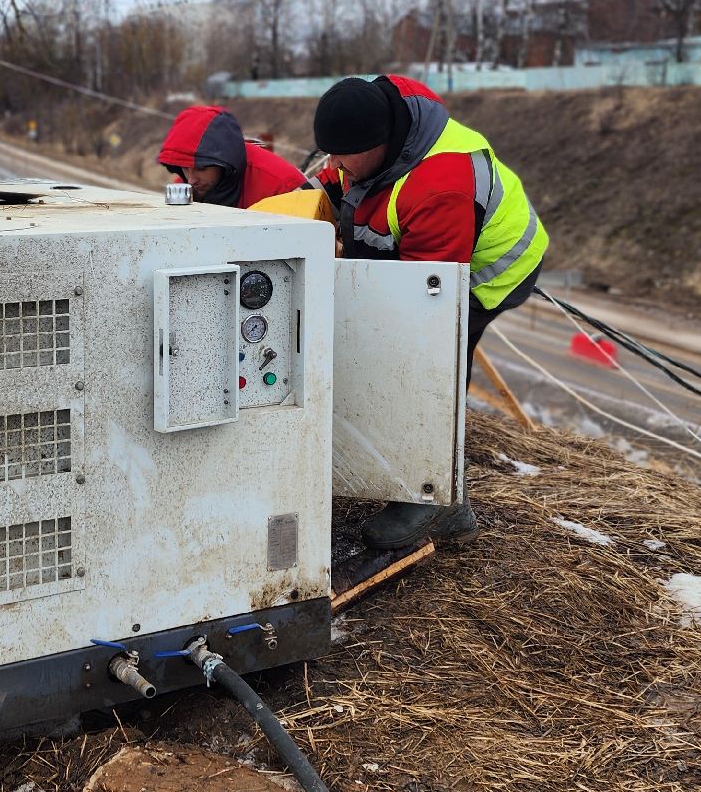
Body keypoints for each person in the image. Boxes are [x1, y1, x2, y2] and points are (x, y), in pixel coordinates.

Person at [314, 74, 548, 549]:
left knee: (427, 368)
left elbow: (422, 304)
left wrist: (344, 267)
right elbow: (332, 181)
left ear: (381, 145)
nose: (335, 165)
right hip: (434, 255)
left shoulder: (440, 185)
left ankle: (437, 503)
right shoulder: (373, 125)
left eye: (343, 156)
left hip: (488, 273)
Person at [157, 106, 310, 208]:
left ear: (225, 162)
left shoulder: (284, 189)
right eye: (185, 168)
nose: (191, 180)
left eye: (201, 168)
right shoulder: (188, 186)